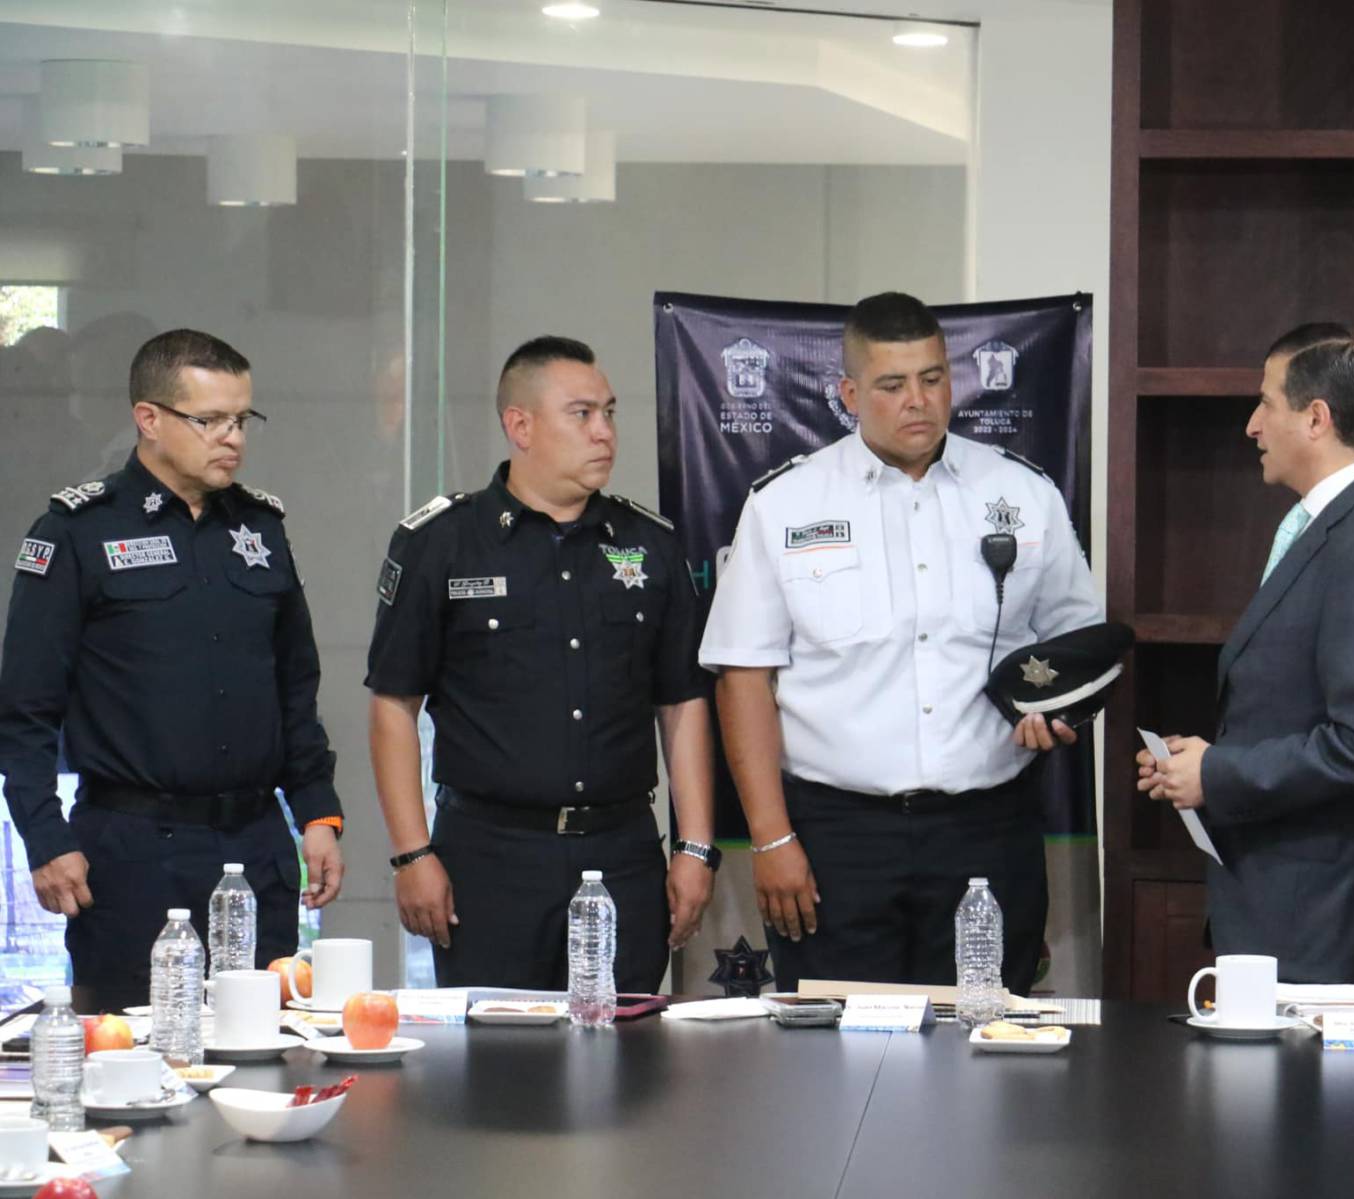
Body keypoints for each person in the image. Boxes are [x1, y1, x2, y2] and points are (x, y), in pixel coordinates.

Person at [700, 291, 1103, 996]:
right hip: (837, 838)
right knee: (835, 1065)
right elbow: (743, 680)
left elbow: (1081, 640)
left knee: (986, 1055)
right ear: (849, 393)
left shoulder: (1022, 493)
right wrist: (771, 839)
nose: (918, 400)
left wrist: (1062, 712)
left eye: (933, 377)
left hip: (987, 827)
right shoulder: (786, 505)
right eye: (892, 385)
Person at [0, 329, 344, 1004]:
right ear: (149, 419)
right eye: (210, 420)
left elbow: (294, 691)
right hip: (132, 854)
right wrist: (45, 835)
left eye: (242, 419)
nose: (232, 438)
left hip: (255, 848)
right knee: (134, 1062)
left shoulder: (261, 530)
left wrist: (318, 816)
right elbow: (24, 710)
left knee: (266, 1059)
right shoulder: (78, 532)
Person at [366, 335, 715, 991]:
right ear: (519, 425)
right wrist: (412, 853)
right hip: (490, 855)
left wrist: (694, 846)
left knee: (629, 1069)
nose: (604, 432)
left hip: (622, 851)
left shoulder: (651, 545)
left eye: (609, 413)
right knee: (496, 1076)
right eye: (581, 414)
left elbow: (683, 702)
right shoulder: (441, 545)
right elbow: (393, 705)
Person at [1136, 324, 1354, 984]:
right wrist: (1203, 762)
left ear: (1316, 418)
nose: (1251, 424)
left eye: (1266, 402)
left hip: (1325, 911)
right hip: (1284, 897)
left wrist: (1220, 776)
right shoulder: (1325, 524)